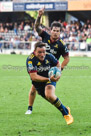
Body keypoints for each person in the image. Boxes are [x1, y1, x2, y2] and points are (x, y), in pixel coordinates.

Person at [25, 8, 70, 116]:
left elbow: (67, 58)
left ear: (60, 32)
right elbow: (36, 27)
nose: (55, 32)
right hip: (40, 68)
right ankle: (30, 108)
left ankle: (64, 111)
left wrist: (59, 70)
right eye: (53, 30)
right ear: (50, 30)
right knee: (33, 89)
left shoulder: (61, 45)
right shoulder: (45, 36)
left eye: (57, 31)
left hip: (50, 70)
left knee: (49, 94)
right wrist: (39, 16)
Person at [26, 41, 73, 125]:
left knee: (50, 95)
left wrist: (58, 73)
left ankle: (66, 115)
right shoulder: (30, 60)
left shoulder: (49, 56)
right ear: (34, 51)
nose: (42, 54)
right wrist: (48, 78)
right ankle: (66, 109)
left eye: (43, 52)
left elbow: (58, 64)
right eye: (39, 52)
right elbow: (34, 77)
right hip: (38, 83)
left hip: (50, 80)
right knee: (51, 100)